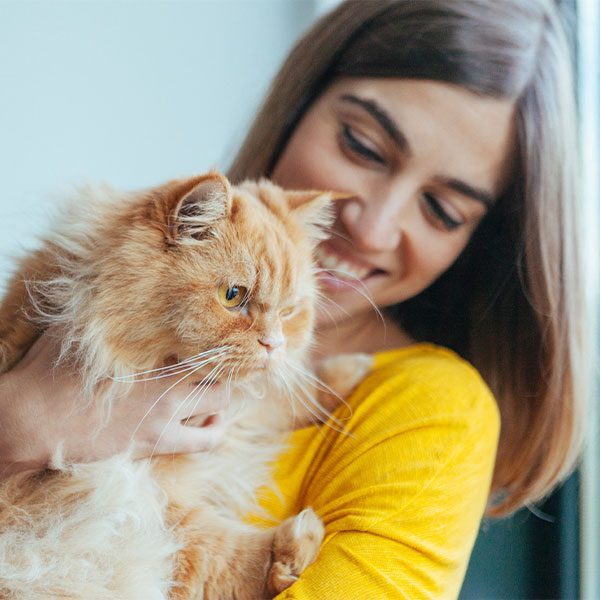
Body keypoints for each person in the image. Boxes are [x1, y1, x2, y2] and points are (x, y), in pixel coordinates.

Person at [0, 0, 588, 597]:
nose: (372, 227)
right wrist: (19, 423)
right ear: (297, 104)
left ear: (478, 241)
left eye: (443, 209)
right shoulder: (139, 252)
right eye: (363, 145)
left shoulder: (436, 410)